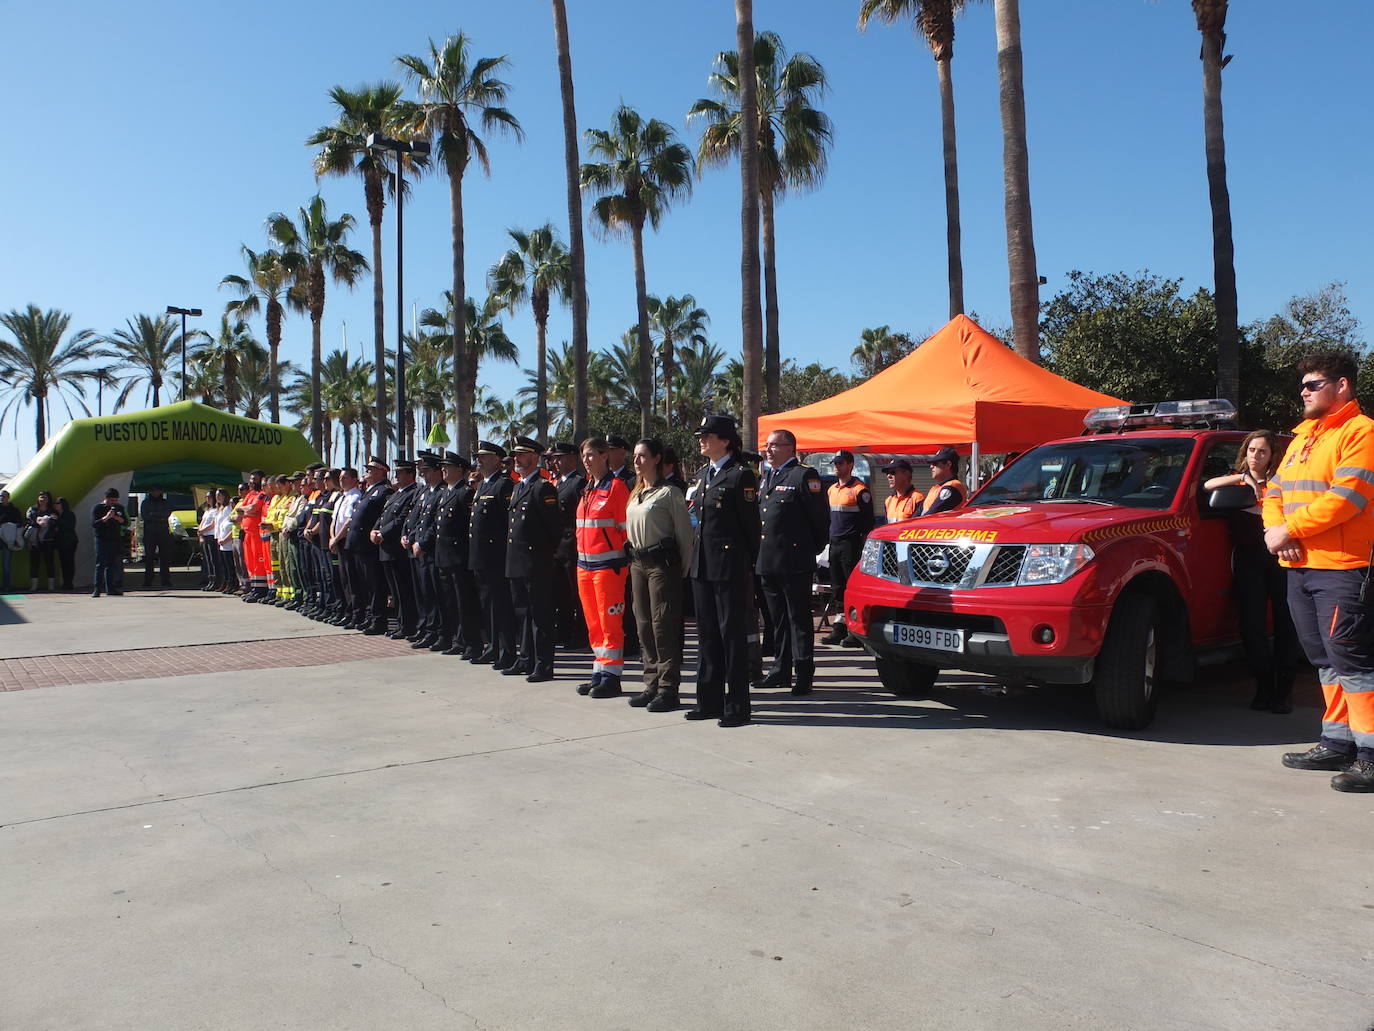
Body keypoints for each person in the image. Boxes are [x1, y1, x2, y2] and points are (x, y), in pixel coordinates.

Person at [1263, 353, 1374, 792]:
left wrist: (1289, 528)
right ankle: (1337, 741)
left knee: (1353, 662)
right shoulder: (1302, 437)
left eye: (1313, 384)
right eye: (1303, 386)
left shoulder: (1361, 432)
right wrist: (1276, 529)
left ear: (1341, 386)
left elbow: (1347, 499)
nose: (1304, 392)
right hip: (1299, 566)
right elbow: (1274, 490)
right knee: (1324, 661)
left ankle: (1369, 754)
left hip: (1342, 569)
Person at [1203, 429, 1302, 712]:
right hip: (1248, 561)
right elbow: (1208, 486)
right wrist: (1243, 478)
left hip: (1282, 560)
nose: (1256, 456)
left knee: (1286, 625)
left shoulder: (1282, 482)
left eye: (1262, 451)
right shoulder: (1237, 481)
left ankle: (1283, 692)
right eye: (1251, 450)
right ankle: (1263, 686)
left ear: (1273, 455)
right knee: (1251, 625)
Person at [687, 415, 760, 727]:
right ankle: (709, 700)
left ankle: (738, 706)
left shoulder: (740, 475)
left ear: (726, 440)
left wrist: (747, 566)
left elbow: (750, 528)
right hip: (703, 565)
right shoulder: (705, 473)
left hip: (729, 566)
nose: (702, 440)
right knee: (707, 636)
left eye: (708, 435)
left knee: (731, 637)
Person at [756, 429, 829, 695]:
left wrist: (810, 549)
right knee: (777, 621)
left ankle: (803, 673)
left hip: (794, 560)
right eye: (767, 445)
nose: (769, 450)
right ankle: (780, 671)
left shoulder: (803, 475)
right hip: (768, 560)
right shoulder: (767, 477)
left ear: (790, 448)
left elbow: (820, 518)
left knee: (798, 619)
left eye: (775, 445)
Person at [625, 437, 694, 711]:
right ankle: (651, 682)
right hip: (638, 564)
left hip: (662, 565)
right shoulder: (636, 492)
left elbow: (684, 537)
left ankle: (668, 688)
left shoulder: (670, 493)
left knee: (662, 625)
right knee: (643, 625)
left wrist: (682, 571)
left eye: (642, 455)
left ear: (656, 459)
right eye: (635, 456)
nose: (637, 461)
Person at [575, 437, 631, 698]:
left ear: (604, 456)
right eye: (584, 456)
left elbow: (625, 529)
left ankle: (612, 675)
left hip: (609, 567)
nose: (587, 460)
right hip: (585, 566)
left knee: (610, 622)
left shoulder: (616, 488)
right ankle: (599, 670)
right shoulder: (588, 488)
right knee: (593, 623)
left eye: (591, 455)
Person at [506, 436, 562, 682]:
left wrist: (543, 556)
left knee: (540, 616)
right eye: (516, 455)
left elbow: (554, 529)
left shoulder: (543, 487)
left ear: (534, 457)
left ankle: (543, 664)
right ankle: (526, 658)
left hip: (536, 562)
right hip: (517, 562)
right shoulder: (518, 486)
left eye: (522, 454)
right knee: (522, 614)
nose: (516, 459)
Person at [469, 442, 518, 669]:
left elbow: (507, 523)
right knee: (487, 604)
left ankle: (506, 651)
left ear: (497, 459)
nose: (479, 460)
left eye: (484, 457)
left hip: (496, 556)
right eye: (478, 457)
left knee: (500, 605)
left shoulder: (504, 485)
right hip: (481, 557)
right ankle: (493, 647)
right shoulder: (483, 486)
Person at [824, 450, 872, 646]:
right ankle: (839, 627)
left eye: (841, 463)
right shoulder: (831, 489)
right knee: (837, 587)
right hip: (834, 543)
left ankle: (855, 631)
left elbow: (867, 523)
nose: (837, 467)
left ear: (850, 465)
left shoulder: (861, 490)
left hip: (851, 544)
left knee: (851, 587)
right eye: (835, 463)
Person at [433, 452, 480, 656]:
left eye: (448, 466)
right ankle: (458, 639)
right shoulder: (446, 492)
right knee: (450, 601)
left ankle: (470, 642)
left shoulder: (464, 493)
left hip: (459, 555)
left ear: (460, 469)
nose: (443, 470)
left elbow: (467, 528)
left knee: (464, 602)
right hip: (444, 555)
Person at [547, 441, 587, 649]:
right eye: (556, 458)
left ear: (572, 458)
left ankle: (579, 634)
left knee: (576, 595)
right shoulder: (558, 483)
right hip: (558, 547)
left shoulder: (579, 483)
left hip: (572, 546)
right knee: (561, 593)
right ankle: (563, 630)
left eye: (561, 457)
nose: (556, 461)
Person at [346, 458, 394, 634]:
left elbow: (384, 516)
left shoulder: (384, 491)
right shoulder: (368, 491)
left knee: (375, 585)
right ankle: (369, 616)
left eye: (371, 469)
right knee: (365, 584)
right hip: (359, 544)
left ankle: (378, 620)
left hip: (369, 545)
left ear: (381, 471)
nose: (366, 472)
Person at [374, 458, 419, 638]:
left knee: (403, 590)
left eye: (400, 473)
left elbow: (401, 519)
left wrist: (383, 533)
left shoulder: (412, 493)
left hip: (396, 549)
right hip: (386, 549)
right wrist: (375, 529)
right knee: (395, 590)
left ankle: (408, 625)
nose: (396, 475)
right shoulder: (395, 494)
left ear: (410, 475)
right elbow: (384, 515)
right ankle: (401, 623)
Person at [405, 454, 447, 649]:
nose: (422, 473)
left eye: (427, 470)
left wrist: (422, 543)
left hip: (430, 551)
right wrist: (409, 536)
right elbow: (417, 519)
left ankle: (439, 632)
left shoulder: (441, 492)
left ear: (438, 471)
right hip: (418, 550)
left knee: (436, 595)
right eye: (422, 470)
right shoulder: (425, 492)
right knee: (424, 594)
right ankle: (428, 629)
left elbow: (435, 524)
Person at [238, 470, 270, 601]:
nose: (252, 482)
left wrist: (246, 510)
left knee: (258, 561)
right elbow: (239, 510)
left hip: (257, 534)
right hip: (247, 533)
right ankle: (254, 587)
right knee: (250, 562)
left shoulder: (262, 495)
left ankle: (260, 589)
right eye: (251, 479)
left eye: (254, 479)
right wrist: (247, 510)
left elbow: (252, 509)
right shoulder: (250, 494)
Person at [90, 487, 127, 597]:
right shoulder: (98, 508)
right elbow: (94, 524)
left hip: (114, 538)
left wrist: (116, 517)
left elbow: (124, 522)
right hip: (101, 538)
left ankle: (110, 588)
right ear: (106, 499)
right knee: (100, 564)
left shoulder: (119, 508)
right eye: (112, 500)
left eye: (116, 500)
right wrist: (106, 517)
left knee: (111, 564)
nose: (114, 503)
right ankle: (97, 588)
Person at [138, 485, 174, 588]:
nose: (155, 493)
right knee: (149, 558)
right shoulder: (145, 502)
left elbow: (167, 514)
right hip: (149, 533)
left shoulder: (165, 502)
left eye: (157, 491)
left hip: (163, 533)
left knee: (165, 558)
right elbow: (145, 516)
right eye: (153, 491)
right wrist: (159, 517)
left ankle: (165, 580)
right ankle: (148, 580)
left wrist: (153, 515)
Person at [26, 490, 59, 591]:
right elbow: (29, 521)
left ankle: (51, 585)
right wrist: (38, 523)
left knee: (49, 562)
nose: (43, 500)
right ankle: (34, 585)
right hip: (35, 540)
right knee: (34, 562)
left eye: (45, 498)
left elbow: (56, 525)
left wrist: (52, 521)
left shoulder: (52, 511)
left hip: (48, 540)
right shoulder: (33, 510)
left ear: (48, 500)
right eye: (41, 497)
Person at [921, 445, 966, 516]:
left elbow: (932, 514)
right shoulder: (936, 488)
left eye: (935, 463)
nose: (931, 466)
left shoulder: (952, 487)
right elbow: (918, 513)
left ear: (948, 465)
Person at [52, 497, 78, 591]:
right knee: (63, 563)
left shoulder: (69, 514)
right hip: (61, 542)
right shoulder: (58, 514)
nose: (56, 505)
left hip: (69, 541)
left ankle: (69, 582)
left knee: (69, 562)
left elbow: (69, 526)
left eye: (58, 503)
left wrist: (57, 520)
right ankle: (66, 582)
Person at [0, 489, 22, 592]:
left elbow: (19, 523)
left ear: (8, 497)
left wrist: (7, 525)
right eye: (0, 496)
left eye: (3, 496)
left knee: (6, 565)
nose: (1, 498)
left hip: (7, 540)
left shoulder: (14, 510)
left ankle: (6, 586)